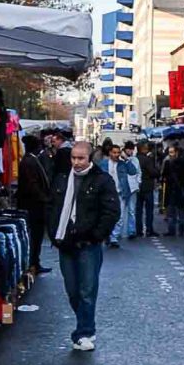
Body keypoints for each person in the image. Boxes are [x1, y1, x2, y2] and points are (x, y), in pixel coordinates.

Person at [52, 140, 119, 351]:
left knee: (87, 290)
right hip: (65, 242)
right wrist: (53, 231)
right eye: (73, 158)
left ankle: (84, 332)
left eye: (81, 158)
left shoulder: (102, 180)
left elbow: (111, 211)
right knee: (72, 290)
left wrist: (96, 235)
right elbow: (52, 206)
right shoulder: (63, 178)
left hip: (88, 244)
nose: (76, 162)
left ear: (90, 158)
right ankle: (84, 325)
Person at [16, 132, 53, 273]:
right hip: (33, 206)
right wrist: (44, 198)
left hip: (34, 205)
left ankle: (35, 262)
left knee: (36, 236)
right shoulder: (29, 161)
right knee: (35, 235)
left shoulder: (30, 160)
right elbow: (33, 185)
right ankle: (33, 263)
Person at [109, 144, 141, 246]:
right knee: (107, 215)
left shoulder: (123, 164)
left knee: (120, 216)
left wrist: (126, 159)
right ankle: (107, 235)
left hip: (120, 193)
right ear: (110, 153)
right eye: (114, 152)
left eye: (118, 152)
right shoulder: (105, 164)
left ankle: (114, 237)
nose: (116, 155)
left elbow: (133, 171)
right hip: (107, 194)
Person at [160, 144, 184, 237]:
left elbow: (164, 176)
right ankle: (181, 230)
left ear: (176, 152)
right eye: (169, 152)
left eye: (172, 152)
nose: (170, 154)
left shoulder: (168, 163)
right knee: (180, 211)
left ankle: (172, 230)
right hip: (180, 189)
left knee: (172, 212)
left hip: (172, 190)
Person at [137, 141, 161, 237]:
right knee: (149, 210)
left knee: (138, 210)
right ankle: (149, 229)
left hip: (137, 187)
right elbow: (153, 172)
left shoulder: (134, 159)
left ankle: (138, 229)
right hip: (147, 187)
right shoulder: (147, 160)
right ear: (143, 149)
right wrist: (157, 171)